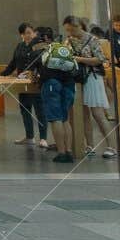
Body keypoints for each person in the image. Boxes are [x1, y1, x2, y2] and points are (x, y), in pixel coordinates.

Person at [68, 18, 116, 159]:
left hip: (93, 78)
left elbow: (100, 59)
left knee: (98, 114)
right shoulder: (69, 41)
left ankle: (111, 146)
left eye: (71, 29)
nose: (69, 32)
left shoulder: (92, 40)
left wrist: (80, 59)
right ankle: (89, 145)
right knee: (84, 115)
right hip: (78, 79)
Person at [37, 31, 81, 163]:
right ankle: (68, 151)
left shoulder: (45, 51)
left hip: (51, 84)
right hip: (68, 84)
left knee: (55, 118)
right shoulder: (64, 50)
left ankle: (61, 153)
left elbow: (38, 70)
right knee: (65, 118)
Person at [4, 23, 47, 147]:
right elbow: (13, 63)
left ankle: (43, 138)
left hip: (36, 81)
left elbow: (42, 61)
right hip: (22, 82)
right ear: (21, 35)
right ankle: (29, 137)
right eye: (24, 33)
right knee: (25, 109)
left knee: (40, 109)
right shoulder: (20, 46)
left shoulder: (40, 45)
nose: (28, 35)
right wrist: (2, 73)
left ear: (33, 33)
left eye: (30, 32)